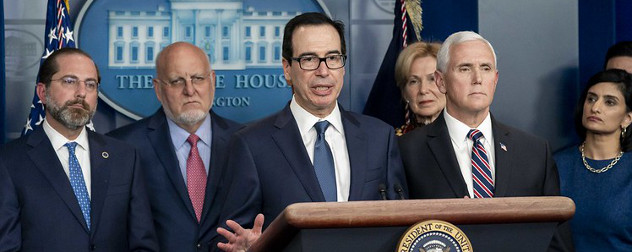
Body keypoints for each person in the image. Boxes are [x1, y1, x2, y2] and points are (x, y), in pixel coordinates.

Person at [215, 12, 408, 251]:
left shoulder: (380, 136)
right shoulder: (251, 145)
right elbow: (230, 239)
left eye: (333, 58)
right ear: (287, 69)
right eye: (309, 59)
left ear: (343, 66)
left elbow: (403, 226)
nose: (323, 71)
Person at [398, 31, 571, 250]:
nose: (477, 79)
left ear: (495, 80)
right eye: (465, 68)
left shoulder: (534, 151)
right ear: (441, 81)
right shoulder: (407, 151)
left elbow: (556, 242)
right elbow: (399, 237)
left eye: (485, 68)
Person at [0, 48, 158, 251]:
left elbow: (143, 243)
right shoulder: (9, 162)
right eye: (69, 81)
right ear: (42, 92)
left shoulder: (125, 156)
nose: (81, 93)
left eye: (90, 85)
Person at [107, 42, 241, 251]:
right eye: (177, 81)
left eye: (197, 78)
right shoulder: (123, 147)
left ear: (212, 81)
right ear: (158, 89)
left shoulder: (245, 142)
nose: (190, 90)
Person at [554, 69, 632, 251]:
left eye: (609, 102)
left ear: (627, 118)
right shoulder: (557, 164)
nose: (595, 107)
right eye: (591, 98)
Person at [394, 41, 444, 135]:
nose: (423, 90)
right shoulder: (394, 143)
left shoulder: (471, 137)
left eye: (432, 79)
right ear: (404, 93)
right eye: (414, 81)